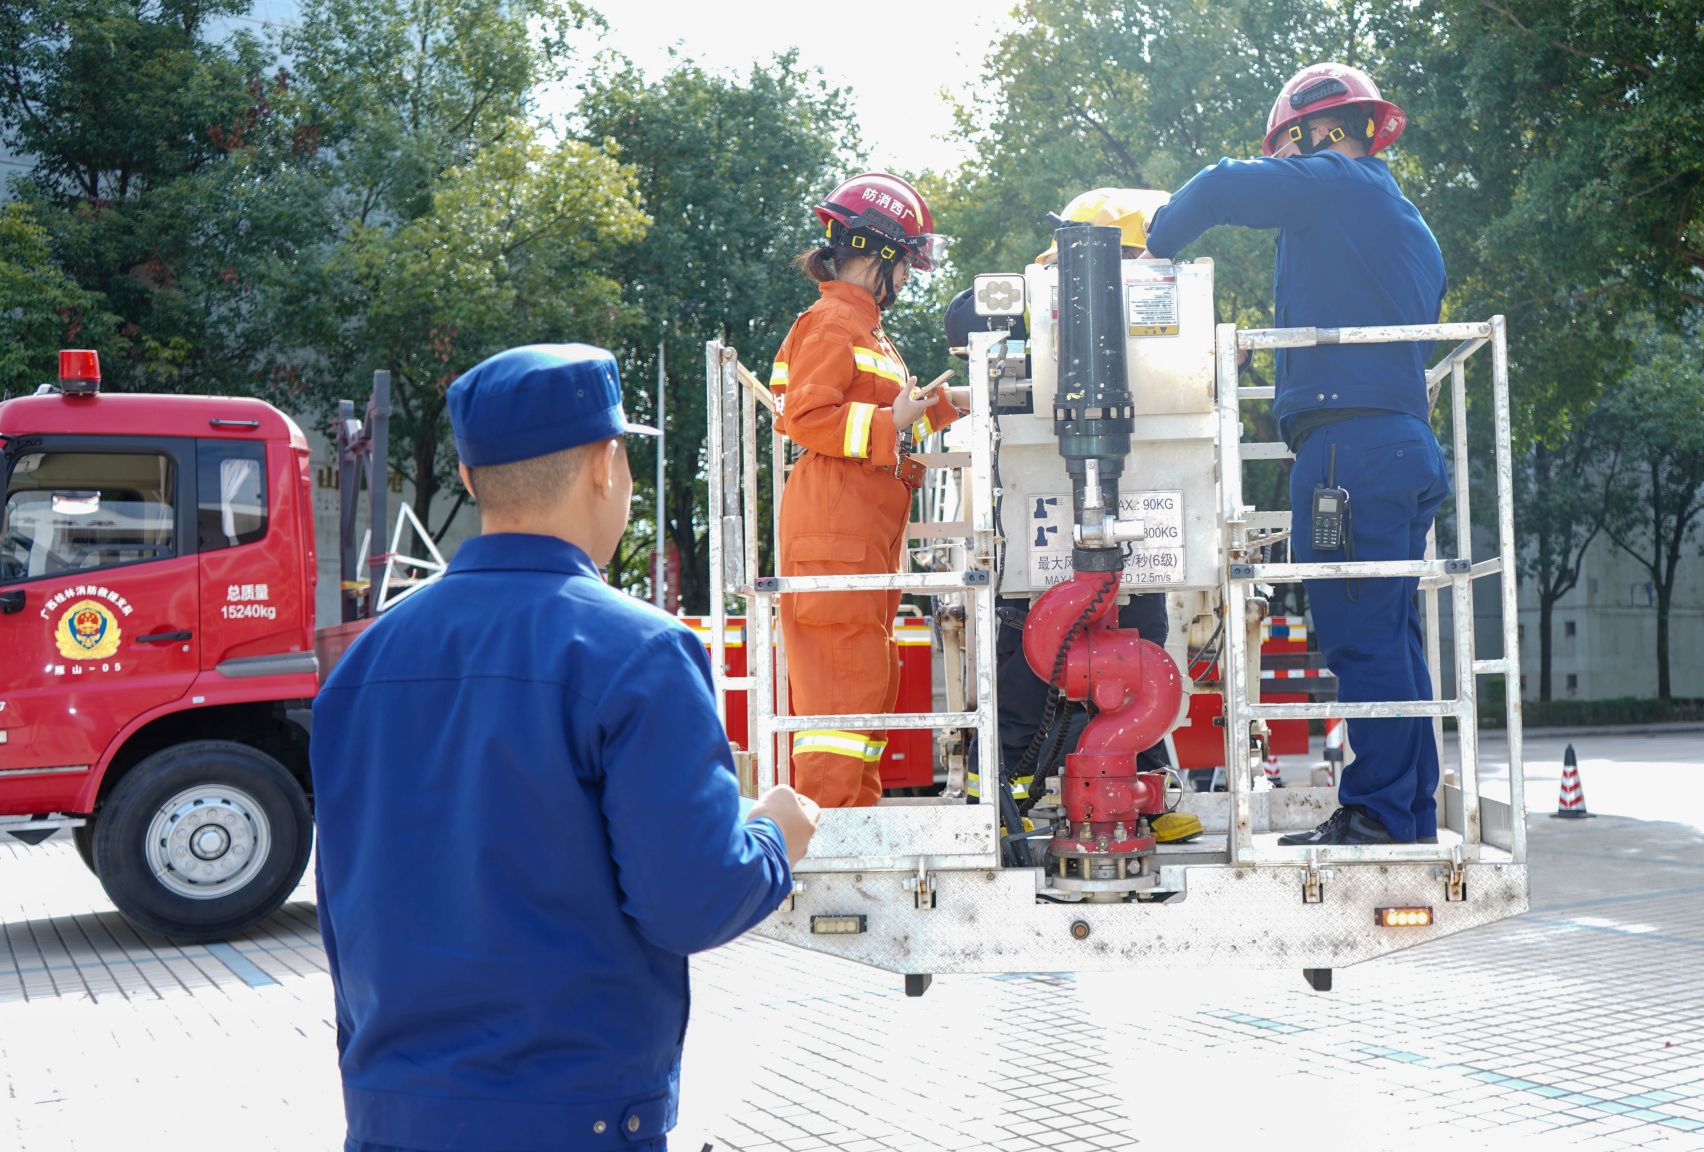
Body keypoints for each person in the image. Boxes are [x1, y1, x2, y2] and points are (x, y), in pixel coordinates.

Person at [312, 344, 818, 1152]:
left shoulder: (365, 660)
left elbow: (346, 904)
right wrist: (775, 837)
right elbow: (692, 901)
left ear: (470, 477)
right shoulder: (640, 653)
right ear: (604, 465)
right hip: (569, 1116)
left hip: (393, 1116)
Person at [1145, 62, 1449, 846]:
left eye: (1288, 148)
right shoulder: (1403, 220)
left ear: (1320, 132)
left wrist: (1153, 250)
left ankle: (1379, 814)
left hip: (1348, 453)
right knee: (1394, 638)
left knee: (1360, 637)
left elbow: (1218, 186)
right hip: (1400, 443)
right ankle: (1408, 812)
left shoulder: (1337, 184)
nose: (1283, 164)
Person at [943, 188, 1203, 844]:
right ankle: (996, 802)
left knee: (1137, 665)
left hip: (1131, 538)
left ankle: (1144, 792)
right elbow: (963, 317)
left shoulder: (1165, 327)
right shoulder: (1041, 306)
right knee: (1032, 670)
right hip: (1040, 527)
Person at [775, 172, 961, 809]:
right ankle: (828, 835)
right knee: (844, 685)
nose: (907, 275)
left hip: (858, 528)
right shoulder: (833, 323)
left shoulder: (863, 327)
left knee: (869, 681)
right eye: (905, 261)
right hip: (837, 525)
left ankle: (857, 821)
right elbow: (806, 418)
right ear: (876, 251)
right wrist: (894, 421)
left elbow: (890, 417)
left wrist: (959, 402)